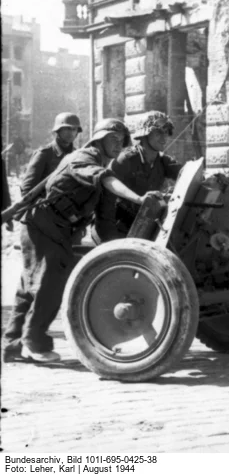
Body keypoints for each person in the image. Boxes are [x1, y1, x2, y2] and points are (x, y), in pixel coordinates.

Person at [2, 119, 163, 364]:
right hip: (41, 226)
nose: (118, 144)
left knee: (29, 289)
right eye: (112, 138)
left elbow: (105, 224)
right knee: (49, 284)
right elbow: (103, 179)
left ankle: (12, 346)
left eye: (121, 140)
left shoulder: (104, 169)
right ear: (98, 139)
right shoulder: (83, 157)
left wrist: (120, 255)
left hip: (60, 231)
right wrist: (139, 199)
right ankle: (35, 342)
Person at [93, 111, 182, 243]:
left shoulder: (163, 161)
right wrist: (111, 240)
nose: (164, 138)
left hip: (142, 228)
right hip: (116, 229)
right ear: (145, 134)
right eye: (158, 133)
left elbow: (185, 173)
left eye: (166, 133)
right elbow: (106, 201)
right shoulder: (125, 160)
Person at [20, 113, 81, 197]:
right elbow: (27, 190)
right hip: (44, 206)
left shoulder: (77, 155)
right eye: (67, 129)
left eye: (74, 129)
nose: (71, 132)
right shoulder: (44, 154)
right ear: (58, 130)